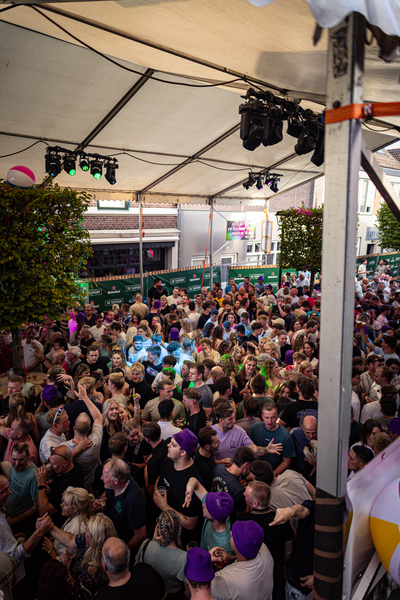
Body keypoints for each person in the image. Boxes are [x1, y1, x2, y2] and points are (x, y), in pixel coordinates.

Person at [238, 480, 293, 600]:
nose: (243, 494)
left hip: (253, 576)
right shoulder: (282, 520)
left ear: (255, 503)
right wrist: (283, 564)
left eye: (246, 495)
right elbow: (288, 550)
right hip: (276, 572)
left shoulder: (242, 522)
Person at [0, 475, 53, 589]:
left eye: (8, 488)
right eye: (3, 491)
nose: (10, 492)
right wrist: (40, 531)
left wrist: (10, 538)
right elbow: (16, 557)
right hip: (13, 581)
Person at [45, 513, 117, 595]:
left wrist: (66, 569)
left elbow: (80, 593)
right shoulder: (95, 540)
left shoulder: (92, 567)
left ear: (95, 539)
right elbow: (70, 539)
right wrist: (49, 526)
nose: (85, 528)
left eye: (87, 530)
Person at [154, 429, 203, 544]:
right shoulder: (168, 461)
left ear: (183, 452)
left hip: (177, 539)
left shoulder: (191, 483)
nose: (168, 445)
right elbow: (159, 479)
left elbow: (190, 524)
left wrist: (164, 506)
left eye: (173, 445)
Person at [210, 520, 274, 600]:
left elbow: (204, 589)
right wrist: (234, 558)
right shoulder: (264, 549)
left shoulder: (226, 579)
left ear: (238, 548)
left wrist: (206, 560)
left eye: (233, 536)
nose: (230, 533)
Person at [136, 509, 188, 597]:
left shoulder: (146, 545)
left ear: (159, 531)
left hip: (150, 593)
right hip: (173, 595)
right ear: (179, 530)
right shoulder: (184, 557)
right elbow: (188, 593)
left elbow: (138, 569)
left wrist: (153, 540)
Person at [95, 537, 167, 600]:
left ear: (104, 566)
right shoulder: (145, 570)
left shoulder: (100, 597)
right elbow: (163, 595)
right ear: (129, 554)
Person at [99, 458, 147, 551]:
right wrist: (100, 501)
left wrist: (120, 550)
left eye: (104, 476)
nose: (101, 478)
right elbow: (106, 493)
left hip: (120, 541)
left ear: (116, 481)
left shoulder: (134, 501)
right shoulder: (113, 483)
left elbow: (140, 536)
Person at [64, 383, 103, 491]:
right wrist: (85, 397)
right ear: (89, 429)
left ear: (74, 428)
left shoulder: (64, 448)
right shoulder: (95, 442)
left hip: (71, 489)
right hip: (89, 488)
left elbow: (57, 462)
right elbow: (98, 418)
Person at [184, 480, 234, 559]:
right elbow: (194, 481)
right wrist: (190, 490)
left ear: (215, 516)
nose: (203, 504)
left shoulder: (224, 545)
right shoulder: (220, 513)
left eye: (208, 505)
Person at [36, 445, 84, 526]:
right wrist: (51, 484)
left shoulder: (69, 484)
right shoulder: (72, 466)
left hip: (56, 524)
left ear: (64, 463)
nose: (51, 467)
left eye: (53, 464)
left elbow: (43, 512)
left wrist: (41, 484)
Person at [42, 486, 94, 559]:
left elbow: (63, 564)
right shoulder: (78, 516)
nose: (61, 505)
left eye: (65, 504)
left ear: (76, 509)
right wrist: (57, 540)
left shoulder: (75, 529)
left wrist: (51, 550)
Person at [249, 403, 296, 476]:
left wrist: (272, 475)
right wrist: (250, 471)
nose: (270, 421)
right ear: (262, 417)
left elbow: (287, 462)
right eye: (267, 418)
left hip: (275, 474)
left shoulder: (285, 435)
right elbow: (249, 452)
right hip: (255, 471)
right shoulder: (254, 429)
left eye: (273, 417)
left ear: (277, 416)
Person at [212, 446, 256, 514]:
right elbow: (242, 514)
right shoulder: (240, 490)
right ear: (246, 466)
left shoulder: (218, 468)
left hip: (213, 509)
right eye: (251, 467)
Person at [6, 442, 38, 534]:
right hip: (7, 514)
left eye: (21, 460)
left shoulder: (32, 476)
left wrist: (14, 521)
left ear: (28, 456)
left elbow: (36, 507)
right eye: (14, 459)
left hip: (17, 523)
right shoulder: (13, 467)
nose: (16, 463)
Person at [194, 426, 220, 492]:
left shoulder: (202, 451)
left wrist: (220, 462)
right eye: (216, 442)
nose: (220, 442)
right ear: (207, 447)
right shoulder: (203, 470)